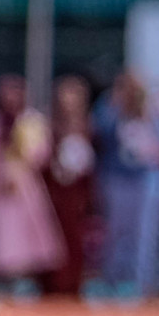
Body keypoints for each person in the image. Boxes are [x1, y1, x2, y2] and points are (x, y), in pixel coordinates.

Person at [0, 75, 63, 295]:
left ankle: (18, 279)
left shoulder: (30, 121)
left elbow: (41, 154)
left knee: (20, 235)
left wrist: (18, 146)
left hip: (22, 186)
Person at [91, 71, 159, 296]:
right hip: (117, 177)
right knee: (116, 234)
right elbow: (99, 130)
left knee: (146, 235)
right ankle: (112, 282)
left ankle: (143, 285)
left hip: (148, 179)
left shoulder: (155, 112)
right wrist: (117, 102)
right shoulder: (111, 109)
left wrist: (148, 111)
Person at [41, 75, 95, 299]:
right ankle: (51, 283)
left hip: (77, 191)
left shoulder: (87, 125)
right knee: (51, 236)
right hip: (54, 190)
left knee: (75, 237)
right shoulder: (48, 124)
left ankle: (73, 283)